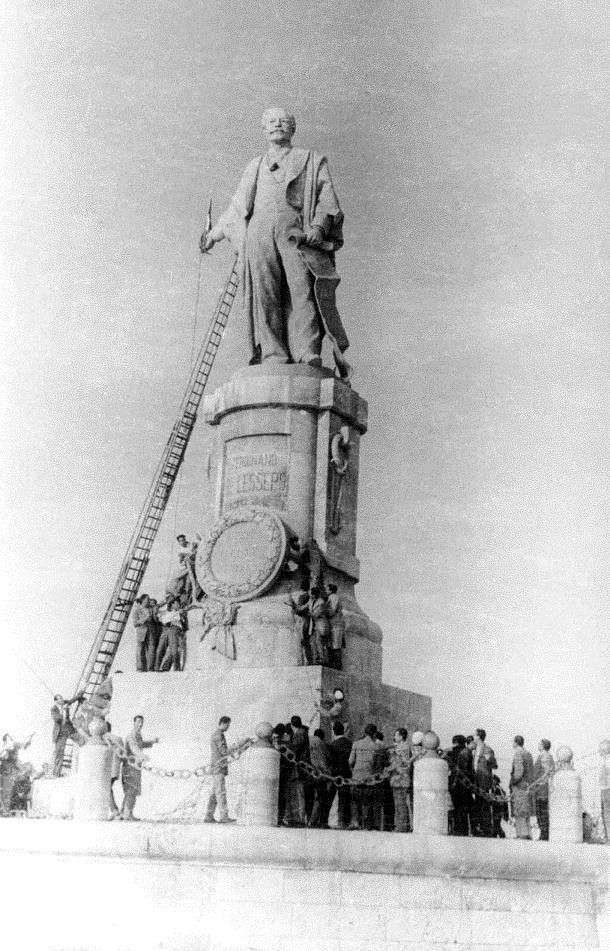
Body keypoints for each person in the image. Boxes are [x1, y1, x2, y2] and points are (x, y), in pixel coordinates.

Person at [202, 108, 349, 377]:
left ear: (292, 129)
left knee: (302, 290)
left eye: (284, 122)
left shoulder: (311, 160)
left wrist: (318, 225)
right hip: (259, 233)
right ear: (264, 129)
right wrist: (213, 235)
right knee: (265, 293)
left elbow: (326, 197)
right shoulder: (255, 165)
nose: (278, 125)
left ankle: (307, 351)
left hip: (293, 230)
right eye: (272, 122)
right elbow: (237, 207)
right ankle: (273, 353)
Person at [120, 715, 159, 820]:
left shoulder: (138, 735)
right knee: (131, 790)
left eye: (142, 722)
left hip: (135, 767)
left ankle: (125, 812)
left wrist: (152, 742)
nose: (140, 724)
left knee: (132, 790)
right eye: (138, 722)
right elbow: (134, 748)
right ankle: (127, 814)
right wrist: (142, 756)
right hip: (130, 767)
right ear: (134, 723)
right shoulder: (131, 735)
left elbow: (141, 744)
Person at [204, 716, 235, 824]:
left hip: (216, 767)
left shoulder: (216, 734)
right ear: (223, 723)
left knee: (214, 793)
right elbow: (224, 752)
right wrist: (238, 745)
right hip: (219, 768)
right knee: (221, 792)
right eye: (228, 724)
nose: (228, 727)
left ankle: (208, 816)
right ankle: (224, 816)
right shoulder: (219, 735)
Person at [349, 723, 379, 830]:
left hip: (356, 776)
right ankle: (366, 824)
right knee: (367, 801)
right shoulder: (376, 746)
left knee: (355, 801)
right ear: (374, 734)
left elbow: (350, 761)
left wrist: (354, 770)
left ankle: (355, 822)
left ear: (364, 732)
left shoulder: (356, 744)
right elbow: (376, 765)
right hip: (369, 777)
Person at [446, 735, 474, 836]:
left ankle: (457, 829)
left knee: (456, 808)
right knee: (464, 808)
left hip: (455, 783)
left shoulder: (450, 752)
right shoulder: (467, 752)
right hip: (466, 784)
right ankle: (464, 830)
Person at [472, 728, 497, 836]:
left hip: (484, 781)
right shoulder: (475, 749)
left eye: (475, 735)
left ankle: (486, 829)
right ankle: (481, 828)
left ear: (479, 736)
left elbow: (494, 765)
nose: (474, 737)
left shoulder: (487, 749)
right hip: (476, 780)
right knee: (478, 803)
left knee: (484, 804)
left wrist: (489, 759)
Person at [50, 692, 83, 776]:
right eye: (60, 698)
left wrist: (79, 695)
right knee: (59, 753)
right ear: (56, 701)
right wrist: (63, 711)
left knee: (82, 741)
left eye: (62, 698)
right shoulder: (53, 709)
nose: (62, 699)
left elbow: (72, 700)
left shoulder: (65, 703)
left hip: (69, 729)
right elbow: (56, 719)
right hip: (60, 732)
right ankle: (56, 774)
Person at [327, 721, 352, 829]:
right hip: (346, 773)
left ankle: (326, 820)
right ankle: (343, 822)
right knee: (344, 799)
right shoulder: (350, 743)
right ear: (343, 730)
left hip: (334, 774)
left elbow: (330, 760)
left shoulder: (332, 745)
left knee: (329, 797)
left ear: (334, 731)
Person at [510, 735, 535, 839]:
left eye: (513, 742)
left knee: (519, 809)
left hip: (519, 785)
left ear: (516, 742)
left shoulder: (518, 753)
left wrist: (513, 781)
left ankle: (522, 833)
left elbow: (518, 772)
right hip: (527, 785)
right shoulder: (528, 753)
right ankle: (528, 833)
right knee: (525, 809)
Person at [1, 734, 31, 815]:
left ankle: (7, 810)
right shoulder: (5, 748)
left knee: (8, 792)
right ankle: (5, 811)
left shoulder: (12, 746)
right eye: (8, 739)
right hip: (6, 773)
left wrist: (28, 740)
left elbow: (22, 745)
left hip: (10, 772)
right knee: (6, 792)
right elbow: (3, 757)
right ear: (5, 741)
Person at [389, 728, 412, 833]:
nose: (395, 737)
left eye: (396, 735)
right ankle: (400, 825)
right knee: (399, 803)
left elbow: (396, 764)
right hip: (401, 779)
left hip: (399, 779)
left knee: (400, 804)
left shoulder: (401, 748)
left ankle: (401, 826)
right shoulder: (404, 747)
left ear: (401, 736)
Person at [309, 728, 332, 828]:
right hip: (320, 773)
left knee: (309, 797)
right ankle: (316, 821)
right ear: (322, 736)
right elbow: (328, 758)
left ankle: (309, 819)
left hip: (308, 771)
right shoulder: (322, 743)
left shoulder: (308, 740)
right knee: (321, 797)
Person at [532, 739, 555, 841]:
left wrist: (536, 783)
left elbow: (546, 773)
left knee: (542, 810)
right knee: (540, 810)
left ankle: (544, 834)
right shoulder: (544, 755)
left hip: (542, 786)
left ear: (543, 746)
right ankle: (543, 834)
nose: (538, 745)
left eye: (539, 744)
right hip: (540, 786)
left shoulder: (545, 756)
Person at [288, 588, 312, 665]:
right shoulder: (306, 604)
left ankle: (303, 661)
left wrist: (293, 605)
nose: (299, 601)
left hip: (303, 624)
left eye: (300, 600)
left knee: (301, 643)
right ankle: (302, 661)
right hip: (302, 623)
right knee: (301, 643)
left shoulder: (306, 606)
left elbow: (299, 611)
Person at [326, 583, 345, 670]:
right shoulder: (332, 597)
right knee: (332, 644)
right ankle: (332, 663)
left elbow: (332, 610)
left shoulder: (334, 597)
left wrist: (324, 612)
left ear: (330, 590)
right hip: (333, 624)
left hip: (335, 624)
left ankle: (336, 665)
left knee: (335, 645)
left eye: (327, 589)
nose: (326, 590)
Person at [310, 586, 330, 666]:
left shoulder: (321, 602)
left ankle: (322, 659)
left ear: (315, 594)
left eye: (311, 594)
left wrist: (308, 613)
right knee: (314, 642)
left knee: (319, 642)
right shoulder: (312, 601)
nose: (310, 595)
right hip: (315, 625)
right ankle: (317, 658)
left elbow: (316, 614)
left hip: (321, 625)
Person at [132, 594, 152, 672]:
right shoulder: (137, 610)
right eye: (147, 599)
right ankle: (139, 668)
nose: (148, 601)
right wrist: (144, 619)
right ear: (143, 600)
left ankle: (147, 668)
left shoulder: (149, 609)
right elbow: (135, 623)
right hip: (141, 631)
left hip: (150, 631)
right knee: (140, 650)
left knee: (149, 649)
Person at [491, 774, 509, 838]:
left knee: (497, 823)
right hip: (496, 809)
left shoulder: (498, 789)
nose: (493, 782)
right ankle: (495, 835)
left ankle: (501, 835)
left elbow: (502, 800)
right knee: (496, 823)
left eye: (494, 780)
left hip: (498, 809)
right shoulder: (494, 788)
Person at [146, 599, 161, 672]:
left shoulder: (149, 609)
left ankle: (151, 666)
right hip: (153, 629)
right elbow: (155, 618)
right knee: (152, 648)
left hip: (153, 629)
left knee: (152, 648)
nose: (154, 605)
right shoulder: (152, 610)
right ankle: (151, 667)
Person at [599, 739, 610, 842]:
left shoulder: (607, 761)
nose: (599, 752)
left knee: (607, 813)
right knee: (605, 813)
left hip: (607, 789)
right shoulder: (604, 760)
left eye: (601, 749)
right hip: (605, 789)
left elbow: (605, 775)